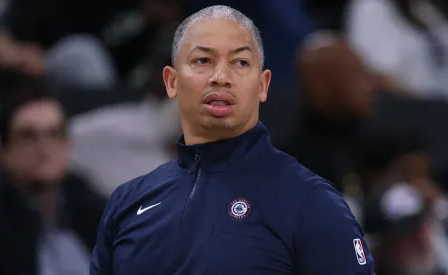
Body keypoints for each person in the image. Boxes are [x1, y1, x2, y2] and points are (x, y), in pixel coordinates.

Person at [90, 5, 375, 275]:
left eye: (240, 62)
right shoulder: (127, 202)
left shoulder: (312, 203)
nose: (220, 77)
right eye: (202, 61)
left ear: (263, 85)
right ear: (171, 82)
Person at [0, 79, 107, 275]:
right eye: (29, 136)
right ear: (4, 152)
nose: (44, 149)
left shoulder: (100, 213)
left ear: (68, 145)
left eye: (54, 134)